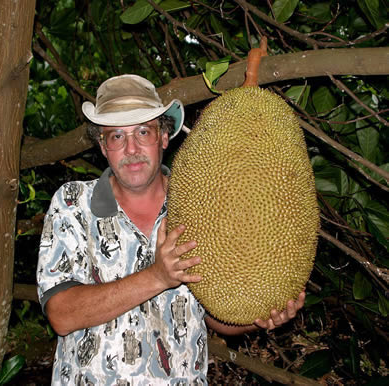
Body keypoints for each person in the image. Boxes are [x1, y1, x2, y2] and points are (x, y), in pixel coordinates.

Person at [36, 74, 305, 385]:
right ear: (102, 146)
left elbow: (217, 315)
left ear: (164, 136)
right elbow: (61, 315)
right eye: (117, 136)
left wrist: (260, 318)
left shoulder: (203, 202)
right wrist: (157, 276)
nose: (132, 148)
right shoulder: (73, 203)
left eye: (143, 131)